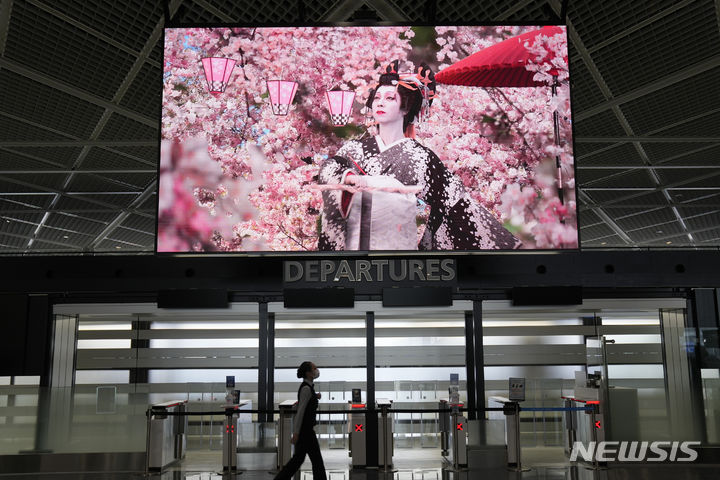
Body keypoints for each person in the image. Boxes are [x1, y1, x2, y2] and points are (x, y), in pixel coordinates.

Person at [318, 60, 520, 251]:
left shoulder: (422, 158)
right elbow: (328, 170)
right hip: (354, 243)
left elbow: (454, 201)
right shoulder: (355, 148)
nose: (380, 103)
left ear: (406, 107)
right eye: (377, 98)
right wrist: (356, 179)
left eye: (390, 98)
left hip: (397, 246)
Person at [274, 361, 326, 480]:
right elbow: (301, 412)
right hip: (306, 431)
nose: (316, 370)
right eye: (314, 368)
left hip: (304, 431)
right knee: (316, 461)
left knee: (297, 460)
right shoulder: (306, 389)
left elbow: (302, 406)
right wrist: (296, 433)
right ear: (309, 373)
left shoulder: (308, 388)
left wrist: (315, 397)